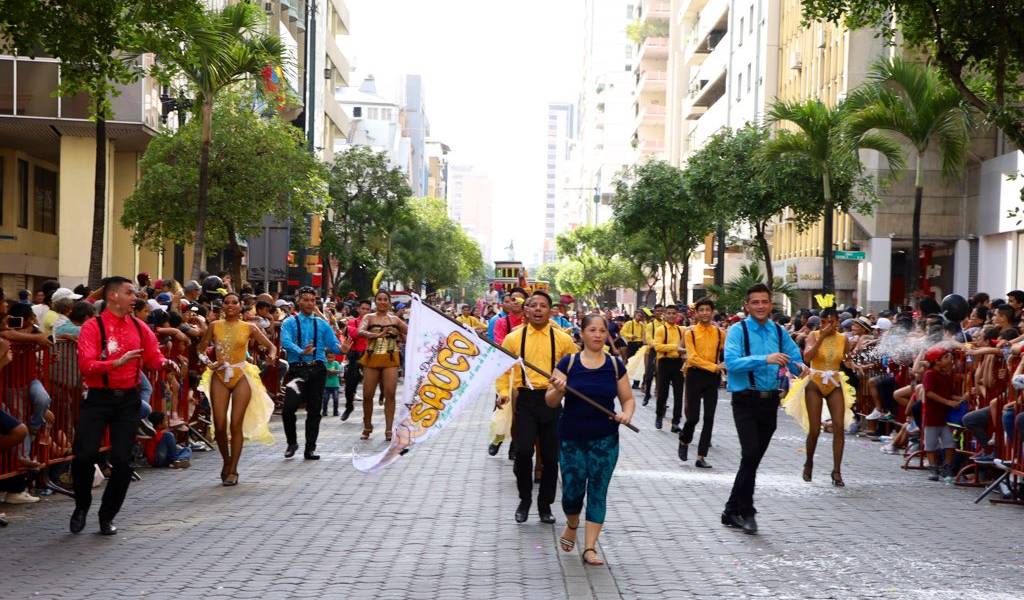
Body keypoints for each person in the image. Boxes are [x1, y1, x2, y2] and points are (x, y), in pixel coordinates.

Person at [72, 276, 179, 535]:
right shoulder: (92, 327)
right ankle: (82, 505)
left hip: (128, 400)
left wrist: (166, 363)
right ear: (113, 296)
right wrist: (116, 363)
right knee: (85, 455)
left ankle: (107, 515)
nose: (136, 297)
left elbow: (153, 357)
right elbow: (86, 366)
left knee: (123, 461)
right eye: (130, 293)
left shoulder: (140, 328)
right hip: (98, 397)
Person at [545, 314, 634, 566]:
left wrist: (626, 414)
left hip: (605, 440)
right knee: (572, 492)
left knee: (598, 490)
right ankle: (572, 525)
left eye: (602, 331)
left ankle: (590, 547)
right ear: (581, 333)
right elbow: (550, 401)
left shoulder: (615, 365)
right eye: (592, 330)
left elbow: (627, 398)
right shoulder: (569, 362)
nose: (597, 335)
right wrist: (558, 389)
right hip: (571, 438)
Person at [721, 283, 805, 535]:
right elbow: (732, 363)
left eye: (764, 302)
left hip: (770, 403)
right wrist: (765, 358)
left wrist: (804, 369)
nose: (760, 306)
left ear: (771, 304)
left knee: (753, 459)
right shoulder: (737, 331)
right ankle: (747, 511)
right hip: (745, 401)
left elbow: (795, 360)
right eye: (755, 302)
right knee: (750, 454)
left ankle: (730, 509)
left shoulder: (779, 332)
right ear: (747, 305)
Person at [497, 290, 577, 524]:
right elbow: (503, 369)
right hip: (525, 399)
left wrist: (567, 383)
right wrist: (503, 393)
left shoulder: (562, 339)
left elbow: (576, 365)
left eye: (544, 305)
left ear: (550, 310)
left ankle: (545, 505)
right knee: (522, 452)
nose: (539, 309)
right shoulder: (514, 339)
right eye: (534, 306)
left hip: (552, 399)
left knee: (552, 457)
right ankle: (525, 499)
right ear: (526, 311)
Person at [197, 292, 277, 484]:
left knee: (235, 424)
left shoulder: (249, 327)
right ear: (222, 306)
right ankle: (226, 461)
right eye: (227, 302)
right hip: (219, 375)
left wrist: (272, 356)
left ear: (241, 306)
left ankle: (233, 470)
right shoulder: (214, 326)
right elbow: (200, 349)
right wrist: (209, 362)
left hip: (241, 375)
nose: (231, 305)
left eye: (234, 302)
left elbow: (271, 346)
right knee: (220, 423)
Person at [790, 307, 855, 486]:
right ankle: (809, 462)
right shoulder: (813, 335)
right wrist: (822, 337)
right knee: (814, 429)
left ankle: (837, 471)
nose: (830, 325)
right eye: (826, 321)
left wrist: (854, 364)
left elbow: (847, 360)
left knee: (839, 427)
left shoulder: (843, 339)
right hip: (815, 382)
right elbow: (807, 357)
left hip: (834, 382)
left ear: (838, 322)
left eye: (834, 321)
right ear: (821, 322)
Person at [280, 286, 342, 460]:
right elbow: (285, 341)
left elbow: (333, 344)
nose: (309, 303)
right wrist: (301, 351)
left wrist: (341, 349)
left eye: (312, 300)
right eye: (305, 299)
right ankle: (292, 442)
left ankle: (310, 448)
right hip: (297, 370)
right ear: (298, 301)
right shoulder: (289, 322)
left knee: (314, 411)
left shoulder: (322, 324)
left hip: (317, 369)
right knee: (288, 408)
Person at [678, 298, 724, 468]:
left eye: (708, 310)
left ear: (713, 312)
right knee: (693, 417)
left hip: (713, 378)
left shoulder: (720, 333)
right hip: (695, 375)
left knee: (709, 417)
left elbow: (728, 352)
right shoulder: (689, 333)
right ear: (696, 313)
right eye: (701, 310)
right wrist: (715, 366)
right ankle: (684, 439)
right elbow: (693, 357)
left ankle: (701, 455)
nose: (705, 313)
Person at [358, 291, 407, 441]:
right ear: (375, 301)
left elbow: (411, 332)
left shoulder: (396, 320)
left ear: (389, 302)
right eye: (379, 299)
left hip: (390, 359)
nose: (382, 302)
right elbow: (360, 331)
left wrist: (399, 334)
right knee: (367, 395)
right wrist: (376, 335)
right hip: (372, 359)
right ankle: (367, 425)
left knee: (390, 394)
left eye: (385, 299)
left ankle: (388, 429)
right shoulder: (369, 317)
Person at [487, 288, 527, 457]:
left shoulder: (532, 321)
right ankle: (498, 438)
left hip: (526, 372)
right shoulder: (502, 322)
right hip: (507, 370)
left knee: (521, 412)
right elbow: (500, 345)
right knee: (504, 409)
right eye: (512, 300)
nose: (515, 303)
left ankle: (515, 445)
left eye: (519, 300)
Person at [922, 346, 964, 483]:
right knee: (931, 443)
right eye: (946, 357)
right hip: (932, 415)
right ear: (936, 361)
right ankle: (933, 467)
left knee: (949, 443)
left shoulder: (945, 375)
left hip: (945, 417)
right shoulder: (929, 374)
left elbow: (952, 393)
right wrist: (948, 402)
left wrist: (963, 398)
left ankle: (947, 467)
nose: (950, 359)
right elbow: (929, 393)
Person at [652, 305, 685, 431]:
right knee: (662, 393)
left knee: (679, 393)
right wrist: (675, 347)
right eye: (669, 313)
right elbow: (657, 347)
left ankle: (676, 422)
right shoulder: (660, 330)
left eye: (674, 313)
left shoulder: (681, 330)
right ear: (665, 315)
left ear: (677, 315)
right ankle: (659, 416)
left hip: (678, 363)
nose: (671, 315)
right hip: (664, 362)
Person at [341, 299, 371, 421]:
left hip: (369, 354)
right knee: (350, 384)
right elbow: (352, 333)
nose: (364, 311)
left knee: (369, 386)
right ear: (358, 309)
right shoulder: (353, 321)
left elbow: (354, 332)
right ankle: (349, 406)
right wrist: (367, 333)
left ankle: (367, 414)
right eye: (363, 308)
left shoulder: (373, 322)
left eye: (367, 309)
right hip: (354, 355)